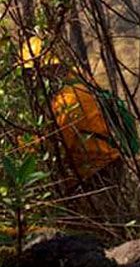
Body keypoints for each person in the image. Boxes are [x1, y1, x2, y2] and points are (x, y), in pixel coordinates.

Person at [20, 36, 124, 187]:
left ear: (47, 69)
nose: (34, 78)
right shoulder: (77, 79)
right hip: (106, 164)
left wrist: (23, 147)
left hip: (99, 172)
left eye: (34, 73)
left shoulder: (69, 99)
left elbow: (56, 145)